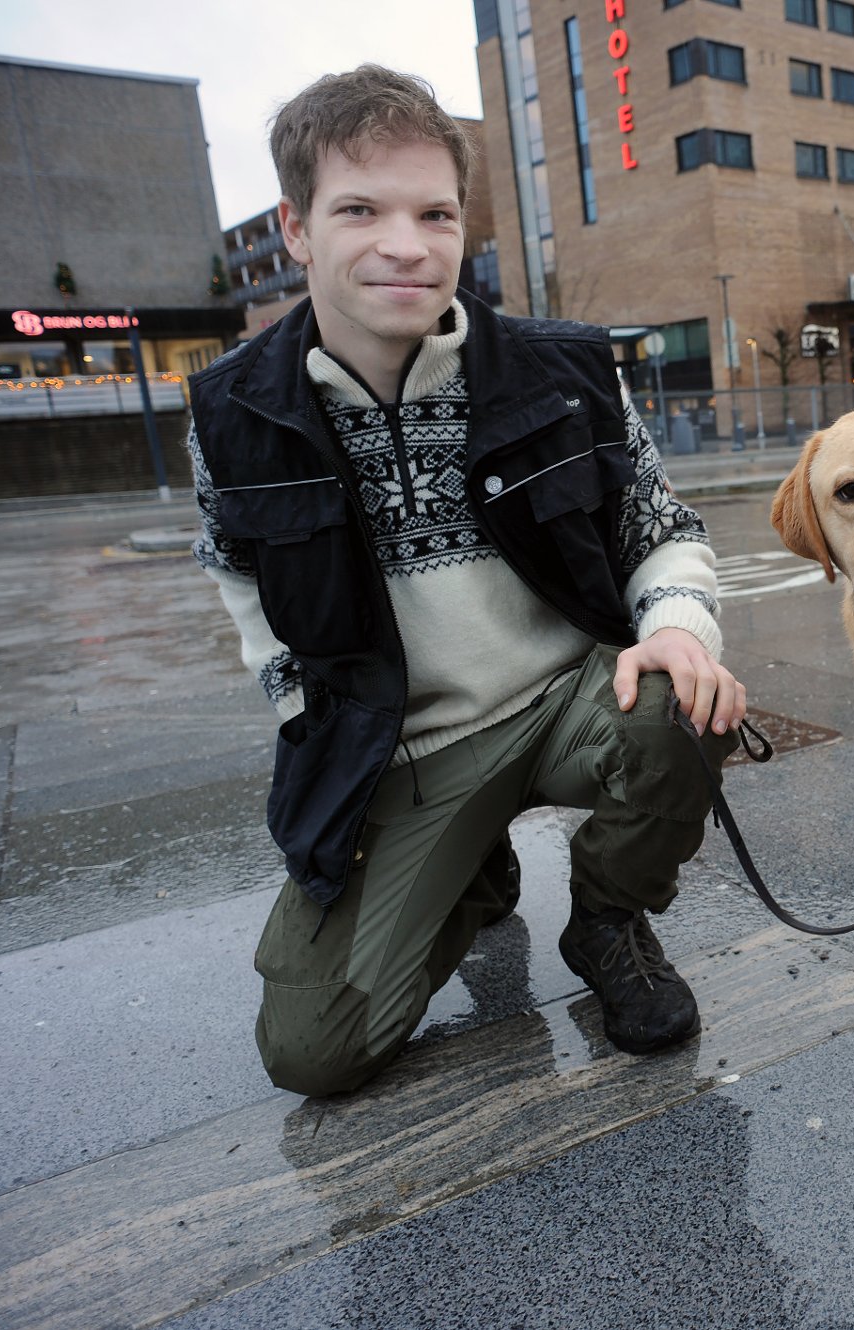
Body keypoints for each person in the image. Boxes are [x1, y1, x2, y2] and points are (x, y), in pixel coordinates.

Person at [184, 66, 746, 1097]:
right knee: (315, 1051)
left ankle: (608, 920)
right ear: (297, 228)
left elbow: (661, 530)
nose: (406, 242)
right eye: (360, 208)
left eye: (433, 212)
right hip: (404, 747)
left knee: (687, 701)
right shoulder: (232, 412)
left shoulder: (562, 370)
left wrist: (677, 626)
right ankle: (469, 873)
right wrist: (306, 712)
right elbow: (238, 574)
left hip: (568, 696)